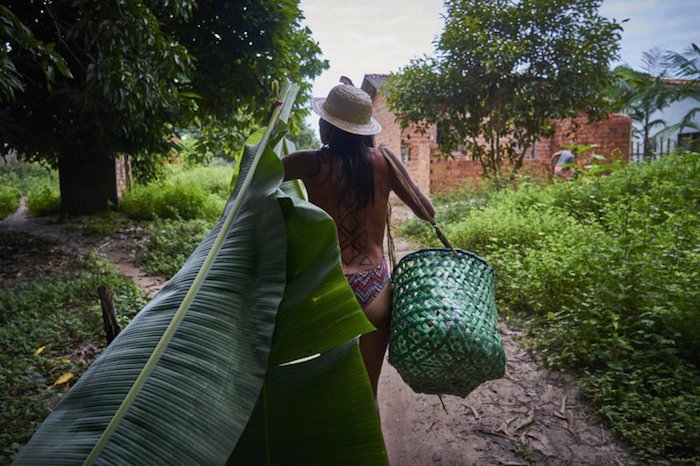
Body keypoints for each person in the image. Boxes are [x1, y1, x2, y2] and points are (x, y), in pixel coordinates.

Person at [283, 82, 435, 398]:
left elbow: (255, 177)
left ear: (327, 127)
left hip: (332, 289)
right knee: (366, 395)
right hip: (376, 289)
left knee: (335, 392)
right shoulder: (385, 161)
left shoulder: (309, 163)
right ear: (363, 129)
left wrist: (274, 124)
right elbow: (427, 212)